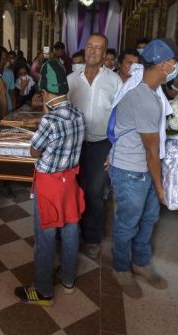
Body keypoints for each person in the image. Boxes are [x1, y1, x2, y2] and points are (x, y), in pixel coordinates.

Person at [109, 38, 178, 298]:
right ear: (164, 64)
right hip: (131, 170)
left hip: (143, 168)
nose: (177, 68)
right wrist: (159, 186)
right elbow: (151, 151)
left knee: (148, 219)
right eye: (175, 62)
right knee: (127, 223)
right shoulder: (143, 97)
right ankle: (121, 269)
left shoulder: (153, 92)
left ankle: (140, 263)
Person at [14, 60, 85, 306]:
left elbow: (35, 151)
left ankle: (43, 290)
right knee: (70, 230)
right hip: (70, 183)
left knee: (44, 236)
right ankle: (68, 280)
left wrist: (45, 118)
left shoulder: (49, 121)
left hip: (49, 185)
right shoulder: (78, 114)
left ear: (44, 93)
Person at [67, 34, 122, 259]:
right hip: (73, 143)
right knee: (72, 188)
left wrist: (114, 148)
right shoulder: (70, 79)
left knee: (95, 192)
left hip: (101, 144)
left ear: (105, 54)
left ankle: (92, 237)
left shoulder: (114, 81)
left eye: (97, 48)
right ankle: (71, 233)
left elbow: (121, 117)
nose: (92, 51)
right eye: (89, 46)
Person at [0, 47, 16, 112]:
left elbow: (12, 93)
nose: (3, 61)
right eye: (0, 58)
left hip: (8, 107)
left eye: (5, 58)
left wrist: (14, 109)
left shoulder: (9, 73)